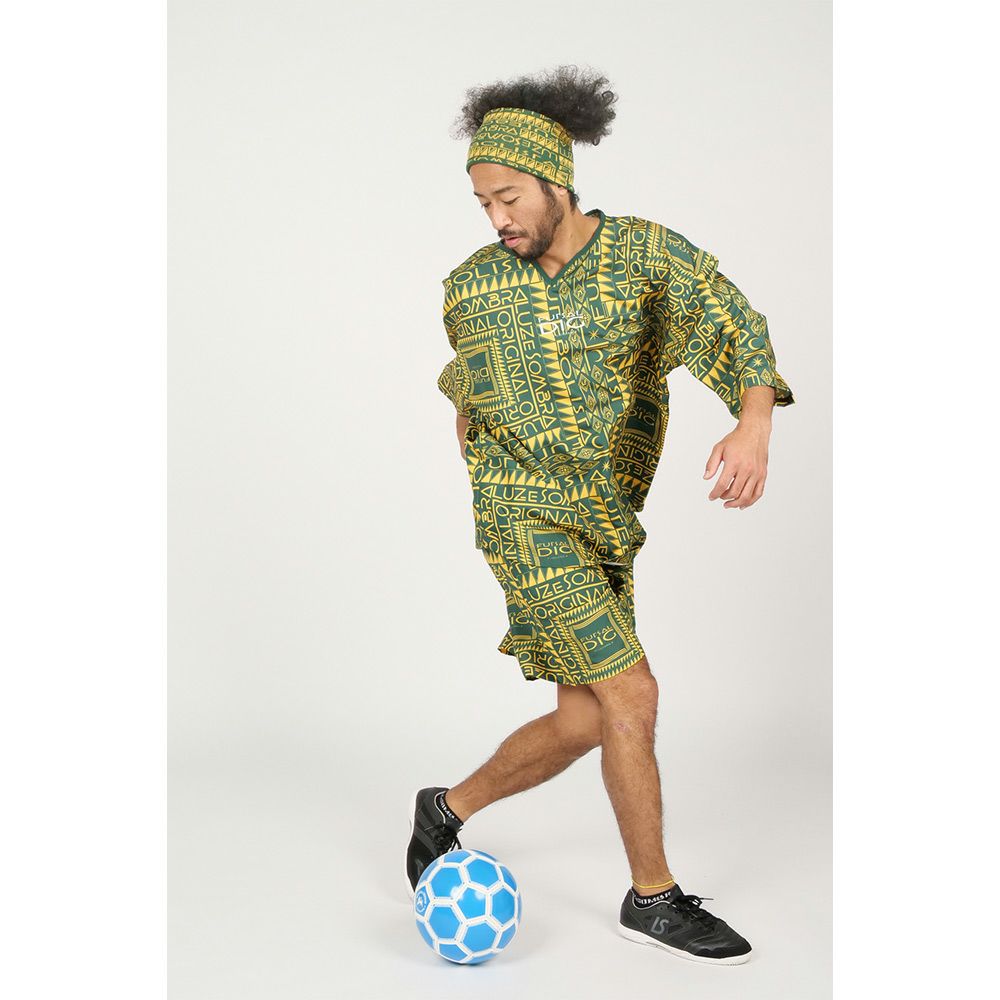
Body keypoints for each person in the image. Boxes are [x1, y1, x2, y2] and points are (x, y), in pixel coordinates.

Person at [406, 66, 794, 966]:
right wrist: (491, 461)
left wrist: (753, 423)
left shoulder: (645, 258)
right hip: (522, 517)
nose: (496, 218)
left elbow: (733, 325)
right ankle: (651, 898)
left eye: (508, 197)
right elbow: (466, 392)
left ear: (556, 179)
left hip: (604, 521)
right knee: (634, 692)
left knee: (588, 719)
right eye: (482, 203)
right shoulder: (471, 289)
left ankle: (446, 809)